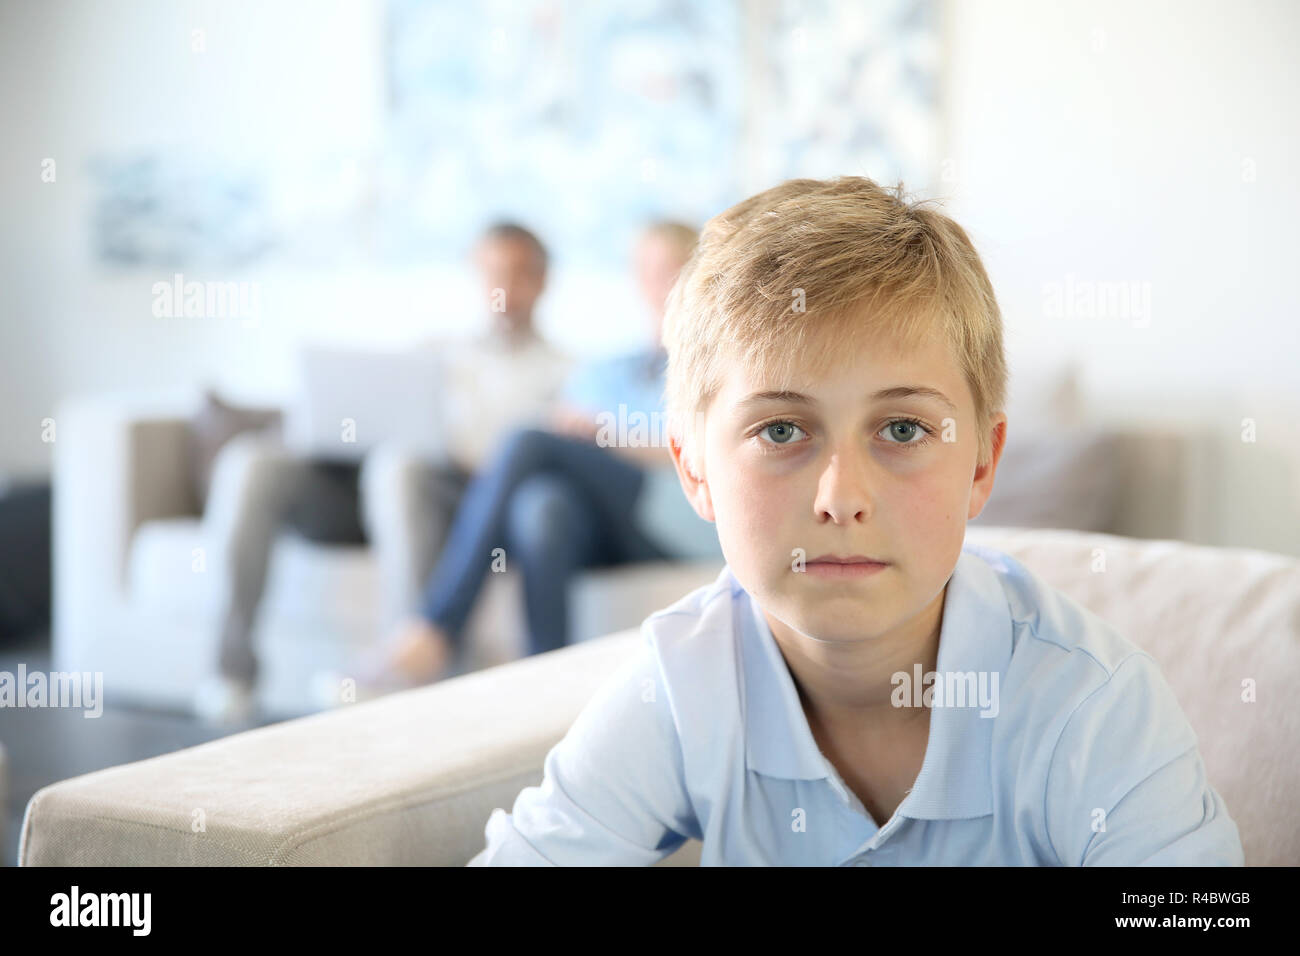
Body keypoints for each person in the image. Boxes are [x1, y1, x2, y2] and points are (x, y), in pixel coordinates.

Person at [466, 176, 1245, 865]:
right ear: (695, 468)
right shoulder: (683, 683)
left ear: (981, 464)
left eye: (903, 429)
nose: (841, 497)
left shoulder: (1092, 712)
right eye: (780, 431)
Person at [194, 222, 571, 724]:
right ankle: (231, 674)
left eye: (516, 274)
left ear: (542, 282)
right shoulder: (434, 350)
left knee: (400, 467)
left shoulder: (563, 370)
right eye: (490, 273)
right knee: (252, 462)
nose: (502, 288)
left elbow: (537, 464)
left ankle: (408, 664)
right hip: (364, 484)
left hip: (457, 500)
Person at [359, 221, 721, 690]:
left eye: (669, 268)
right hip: (604, 525)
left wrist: (604, 436)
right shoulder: (608, 369)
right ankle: (542, 686)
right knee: (541, 506)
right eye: (645, 269)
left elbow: (702, 451)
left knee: (527, 440)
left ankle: (434, 627)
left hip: (670, 519)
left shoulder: (713, 364)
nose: (656, 281)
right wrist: (578, 434)